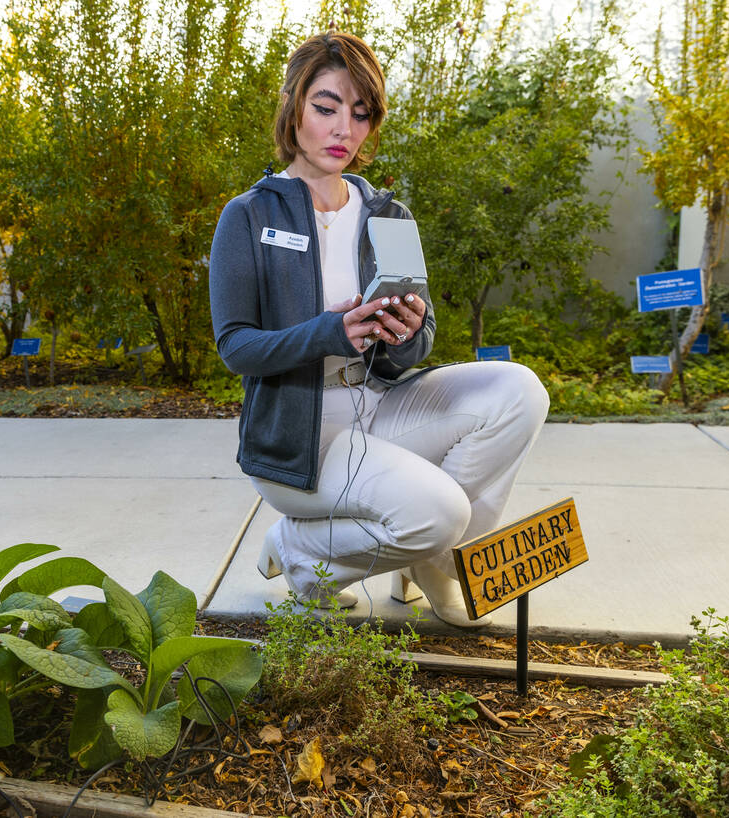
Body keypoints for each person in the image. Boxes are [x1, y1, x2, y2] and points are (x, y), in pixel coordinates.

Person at [208, 31, 549, 628]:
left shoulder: (388, 215)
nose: (344, 128)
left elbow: (414, 349)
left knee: (520, 391)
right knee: (440, 511)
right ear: (293, 105)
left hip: (381, 406)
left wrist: (405, 330)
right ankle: (302, 551)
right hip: (300, 438)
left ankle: (432, 564)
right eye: (326, 106)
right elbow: (236, 347)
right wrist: (331, 332)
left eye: (360, 114)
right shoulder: (250, 215)